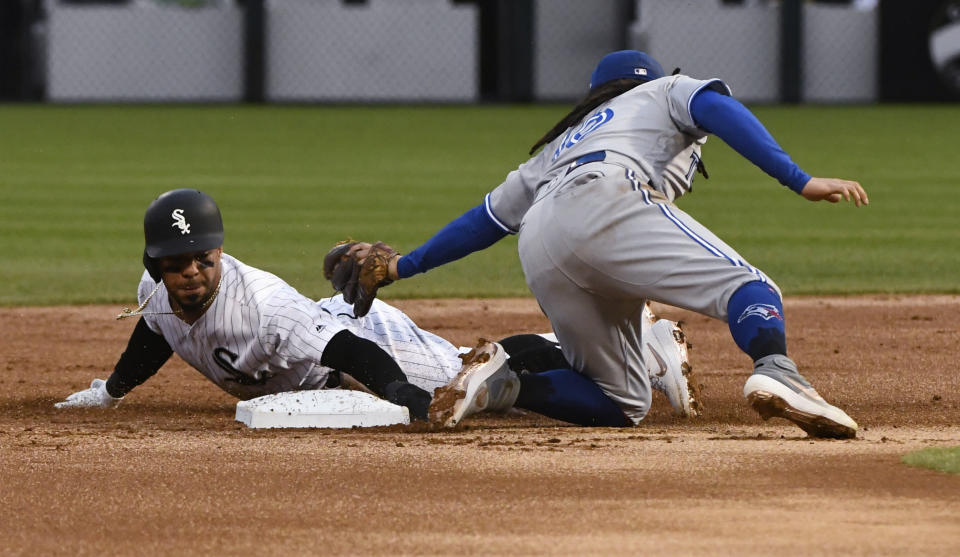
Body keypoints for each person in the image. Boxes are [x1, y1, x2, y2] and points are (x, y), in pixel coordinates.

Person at [332, 51, 868, 438]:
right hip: (610, 199)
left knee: (621, 401)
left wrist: (403, 266)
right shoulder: (661, 91)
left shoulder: (563, 142)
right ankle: (776, 370)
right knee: (750, 287)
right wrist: (798, 179)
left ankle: (505, 383)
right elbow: (717, 107)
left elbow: (486, 220)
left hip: (540, 240)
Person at [55, 188, 699, 420]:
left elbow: (348, 349)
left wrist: (402, 396)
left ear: (220, 254)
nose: (192, 274)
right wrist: (109, 392)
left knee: (465, 380)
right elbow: (155, 332)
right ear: (155, 267)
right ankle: (633, 341)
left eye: (204, 259)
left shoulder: (264, 307)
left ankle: (640, 348)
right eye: (177, 265)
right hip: (323, 344)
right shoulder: (156, 294)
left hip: (349, 346)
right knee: (465, 363)